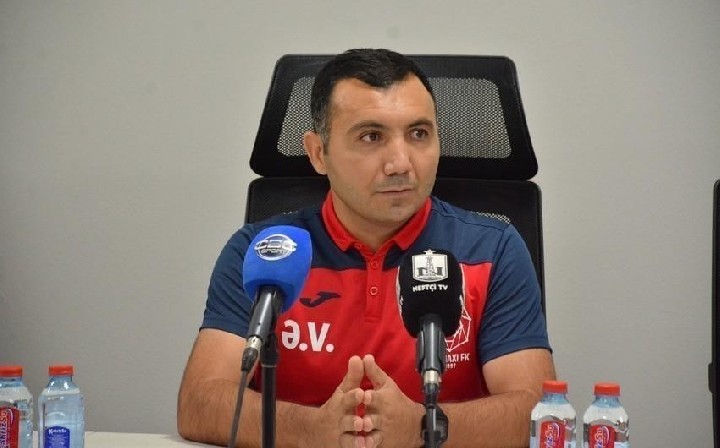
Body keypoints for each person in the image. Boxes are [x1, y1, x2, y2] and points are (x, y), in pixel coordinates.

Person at [177, 48, 556, 448]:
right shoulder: (264, 254)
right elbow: (200, 401)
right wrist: (312, 430)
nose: (400, 163)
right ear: (318, 153)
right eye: (371, 137)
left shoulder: (493, 250)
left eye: (419, 134)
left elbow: (538, 412)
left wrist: (421, 427)